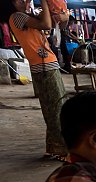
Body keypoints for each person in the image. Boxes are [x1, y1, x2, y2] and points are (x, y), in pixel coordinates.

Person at [0, 0, 68, 160]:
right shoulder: (16, 17)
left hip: (45, 64)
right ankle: (63, 150)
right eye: (18, 0)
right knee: (57, 109)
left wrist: (59, 14)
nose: (23, 1)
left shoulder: (24, 16)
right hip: (44, 66)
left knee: (52, 108)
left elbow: (51, 23)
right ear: (11, 4)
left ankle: (53, 147)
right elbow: (46, 24)